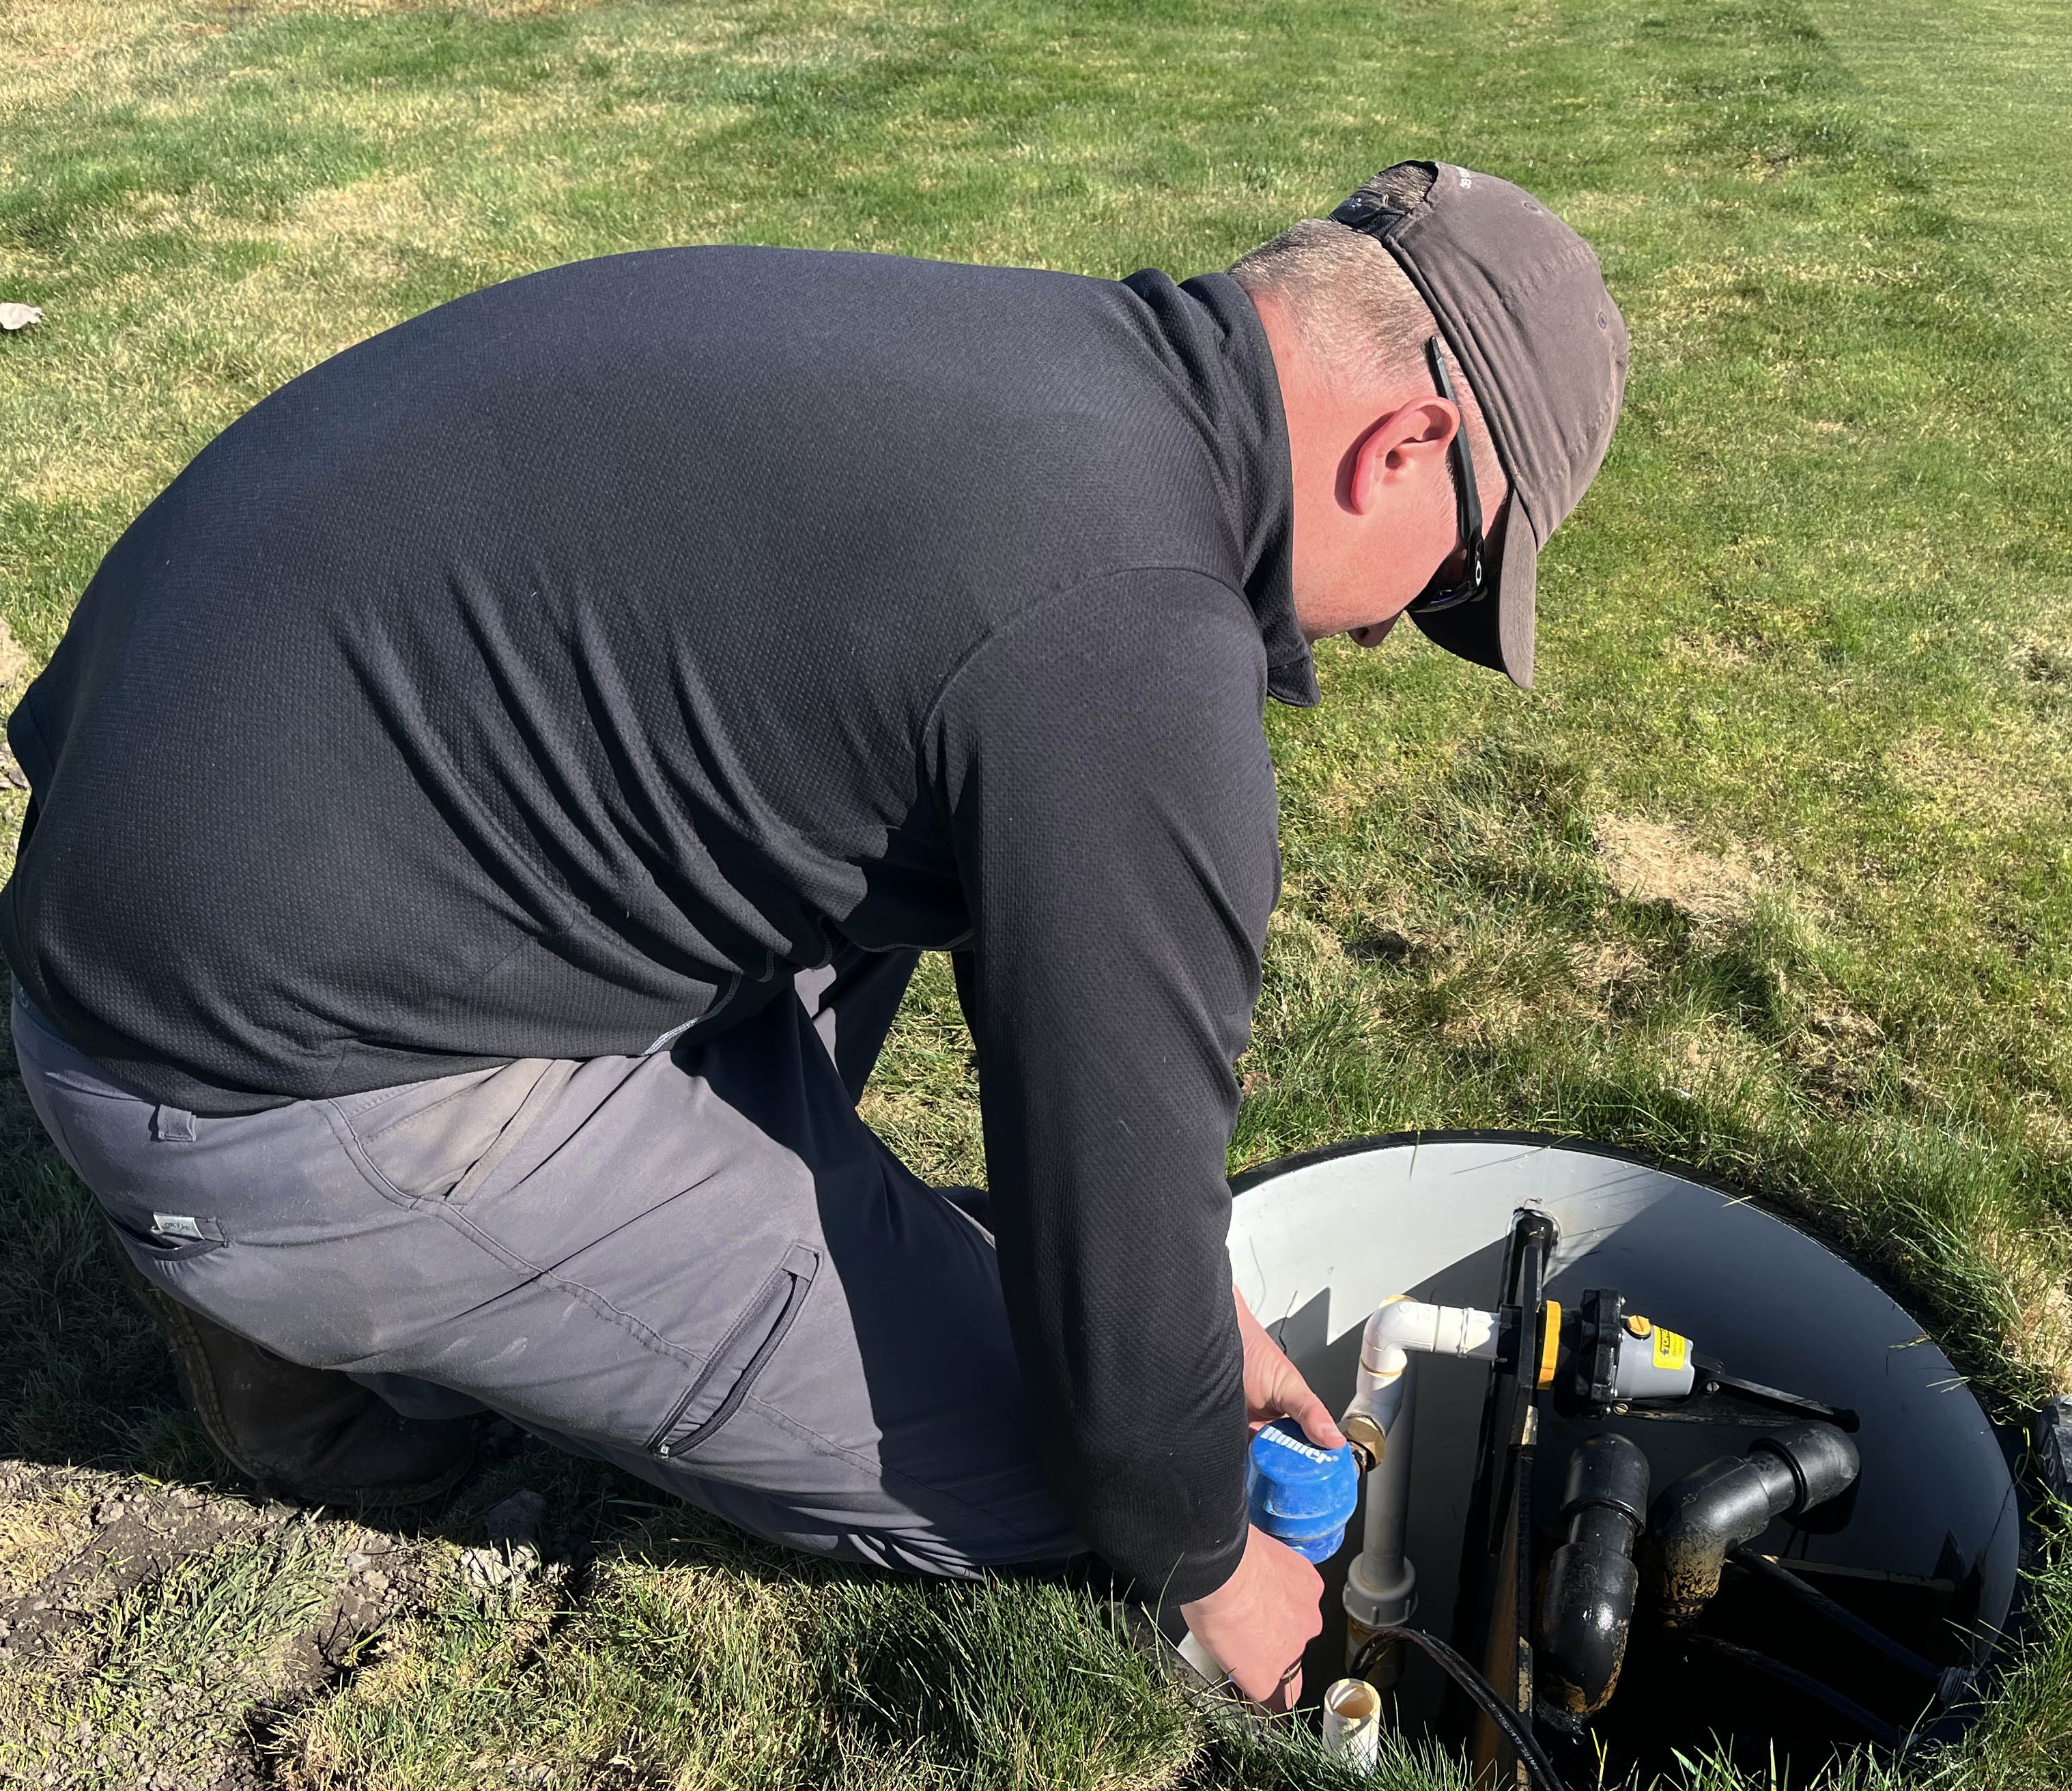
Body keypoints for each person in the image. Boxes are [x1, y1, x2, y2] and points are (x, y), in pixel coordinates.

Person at [2, 161, 1625, 1712]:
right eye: (1457, 586)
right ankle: (313, 1357)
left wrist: (1196, 1304)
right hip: (259, 1081)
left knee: (912, 864)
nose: (1401, 630)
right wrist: (1205, 1554)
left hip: (191, 868)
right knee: (1029, 1465)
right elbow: (1117, 1323)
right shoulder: (1128, 633)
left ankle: (436, 1258)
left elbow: (1083, 1042)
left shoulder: (1036, 376)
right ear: (1405, 444)